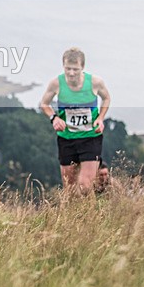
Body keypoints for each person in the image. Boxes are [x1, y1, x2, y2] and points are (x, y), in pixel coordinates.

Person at [40, 47, 111, 195]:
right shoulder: (56, 84)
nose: (71, 73)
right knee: (70, 189)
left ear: (82, 67)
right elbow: (44, 104)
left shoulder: (95, 82)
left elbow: (106, 98)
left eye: (75, 69)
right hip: (67, 139)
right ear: (63, 66)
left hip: (90, 137)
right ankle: (73, 217)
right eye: (68, 69)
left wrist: (100, 118)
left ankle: (91, 217)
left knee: (85, 186)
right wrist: (54, 118)